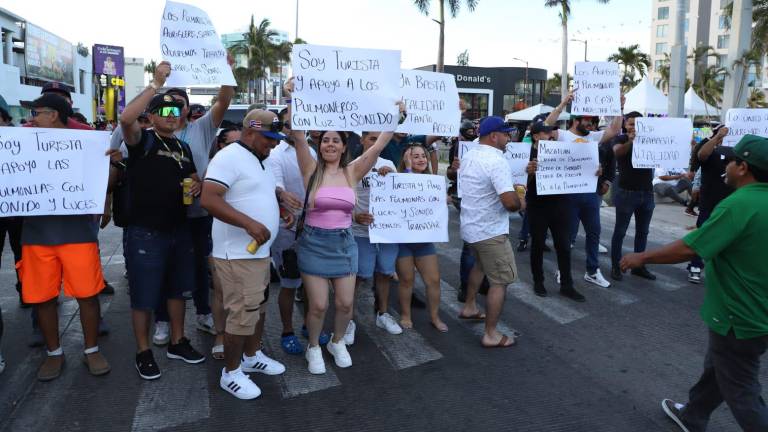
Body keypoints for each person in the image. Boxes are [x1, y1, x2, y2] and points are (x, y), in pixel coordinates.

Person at [620, 134, 768, 432]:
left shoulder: (738, 205)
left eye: (731, 161)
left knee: (741, 389)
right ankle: (693, 415)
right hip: (757, 314)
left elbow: (690, 249)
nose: (725, 166)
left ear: (743, 167)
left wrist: (642, 257)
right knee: (719, 368)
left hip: (737, 316)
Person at [285, 78, 403, 374]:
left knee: (346, 304)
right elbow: (297, 134)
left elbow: (380, 144)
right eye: (325, 140)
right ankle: (314, 346)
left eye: (335, 140)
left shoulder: (352, 172)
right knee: (318, 305)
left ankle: (337, 341)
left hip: (344, 243)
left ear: (343, 146)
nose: (330, 144)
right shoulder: (310, 169)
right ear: (320, 144)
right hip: (314, 243)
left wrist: (396, 115)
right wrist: (293, 97)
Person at [118, 62, 205, 380]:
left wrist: (197, 185)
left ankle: (177, 342)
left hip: (179, 229)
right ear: (151, 116)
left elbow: (193, 177)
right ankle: (143, 352)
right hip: (145, 232)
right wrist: (156, 83)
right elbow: (126, 119)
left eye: (175, 111)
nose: (171, 115)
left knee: (177, 291)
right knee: (144, 296)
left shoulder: (182, 146)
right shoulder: (142, 141)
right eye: (164, 111)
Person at [18, 93, 110, 381]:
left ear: (54, 115)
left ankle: (91, 349)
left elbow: (105, 180)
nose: (32, 118)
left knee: (88, 295)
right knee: (42, 298)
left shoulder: (86, 143)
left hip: (77, 234)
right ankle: (54, 353)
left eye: (37, 112)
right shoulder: (21, 142)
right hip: (36, 235)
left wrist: (111, 164)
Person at [201, 109, 288, 399]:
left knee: (257, 309)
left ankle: (251, 356)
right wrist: (249, 224)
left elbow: (254, 195)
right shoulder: (228, 157)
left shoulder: (261, 158)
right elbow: (208, 199)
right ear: (250, 132)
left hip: (258, 253)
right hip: (237, 254)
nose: (274, 143)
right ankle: (231, 373)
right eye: (269, 137)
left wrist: (279, 210)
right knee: (242, 315)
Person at [151, 76, 234, 345]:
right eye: (169, 104)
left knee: (199, 265)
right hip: (164, 214)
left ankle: (203, 313)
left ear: (187, 108)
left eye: (180, 103)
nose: (175, 108)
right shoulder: (153, 134)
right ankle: (162, 320)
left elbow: (224, 101)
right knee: (164, 267)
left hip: (198, 213)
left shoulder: (202, 128)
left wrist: (226, 73)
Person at [266, 109, 330, 354]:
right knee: (290, 283)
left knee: (312, 282)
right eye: (289, 124)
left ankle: (308, 324)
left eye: (298, 123)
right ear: (282, 127)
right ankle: (287, 330)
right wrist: (282, 196)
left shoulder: (311, 151)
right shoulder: (275, 154)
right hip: (287, 228)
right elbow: (276, 185)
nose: (294, 128)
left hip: (313, 225)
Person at [544, 91, 622, 289]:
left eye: (593, 120)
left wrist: (618, 106)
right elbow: (546, 126)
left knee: (594, 233)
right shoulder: (562, 135)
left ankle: (592, 271)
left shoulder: (594, 137)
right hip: (567, 195)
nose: (591, 123)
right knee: (566, 236)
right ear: (575, 120)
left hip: (590, 194)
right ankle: (563, 270)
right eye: (587, 120)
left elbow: (614, 129)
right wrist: (563, 103)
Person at [458, 116, 524, 347]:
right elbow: (510, 203)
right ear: (494, 136)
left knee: (479, 267)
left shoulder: (470, 154)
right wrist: (521, 198)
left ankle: (469, 307)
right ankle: (491, 334)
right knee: (501, 280)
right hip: (490, 232)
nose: (509, 139)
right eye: (506, 134)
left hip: (472, 227)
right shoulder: (496, 161)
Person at [351, 131, 402, 338]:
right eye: (372, 138)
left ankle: (382, 313)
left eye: (379, 139)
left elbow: (401, 195)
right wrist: (355, 216)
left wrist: (392, 177)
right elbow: (345, 198)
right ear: (362, 139)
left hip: (386, 231)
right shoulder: (352, 165)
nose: (375, 143)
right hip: (361, 232)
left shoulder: (388, 163)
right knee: (359, 276)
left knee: (385, 273)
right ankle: (348, 320)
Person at [524, 121, 582, 301]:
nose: (551, 135)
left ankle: (567, 285)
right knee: (538, 245)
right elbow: (518, 182)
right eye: (546, 132)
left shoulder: (561, 150)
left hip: (560, 204)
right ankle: (538, 281)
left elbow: (577, 168)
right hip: (537, 206)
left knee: (564, 246)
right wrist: (529, 173)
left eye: (552, 132)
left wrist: (593, 171)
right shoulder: (526, 154)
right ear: (535, 136)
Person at [394, 144, 449, 331]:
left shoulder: (433, 182)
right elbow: (405, 193)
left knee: (433, 281)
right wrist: (408, 169)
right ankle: (405, 315)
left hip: (424, 242)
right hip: (403, 242)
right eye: (415, 156)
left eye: (423, 156)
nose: (420, 159)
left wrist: (444, 200)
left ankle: (435, 317)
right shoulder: (397, 179)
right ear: (406, 160)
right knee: (406, 280)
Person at [610, 112, 657, 282]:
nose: (634, 127)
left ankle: (639, 266)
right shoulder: (620, 139)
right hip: (627, 193)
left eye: (637, 124)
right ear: (625, 125)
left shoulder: (650, 139)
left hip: (647, 192)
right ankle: (616, 266)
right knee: (620, 232)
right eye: (631, 124)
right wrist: (632, 141)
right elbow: (617, 153)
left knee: (643, 232)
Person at [686, 126, 733, 284]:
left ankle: (721, 270)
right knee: (703, 235)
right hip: (709, 202)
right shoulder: (709, 148)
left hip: (731, 203)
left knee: (728, 238)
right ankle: (695, 266)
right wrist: (717, 137)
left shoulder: (737, 152)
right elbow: (702, 155)